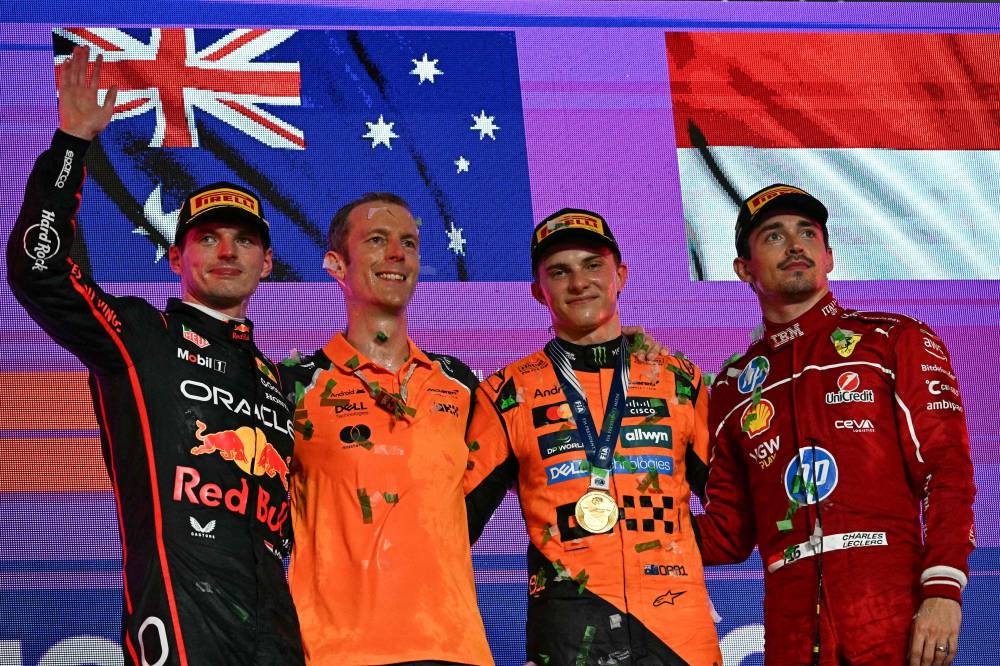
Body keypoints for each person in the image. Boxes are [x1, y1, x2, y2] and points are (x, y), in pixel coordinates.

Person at [7, 47, 304, 665]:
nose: (228, 251)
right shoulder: (141, 336)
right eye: (208, 239)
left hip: (276, 626)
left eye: (245, 240)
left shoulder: (278, 379)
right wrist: (71, 145)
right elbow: (42, 270)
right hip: (181, 615)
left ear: (266, 265)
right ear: (176, 259)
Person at [695, 184, 977, 666]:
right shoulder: (730, 388)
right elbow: (728, 534)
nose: (795, 244)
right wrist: (627, 531)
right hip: (790, 631)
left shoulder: (893, 340)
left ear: (829, 256)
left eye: (807, 232)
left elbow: (946, 469)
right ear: (743, 269)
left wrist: (944, 588)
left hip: (894, 616)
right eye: (773, 235)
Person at [464, 209, 723, 665]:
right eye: (559, 272)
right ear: (537, 292)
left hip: (680, 633)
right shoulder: (508, 394)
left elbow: (735, 507)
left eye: (592, 264)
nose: (578, 282)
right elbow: (453, 524)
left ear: (620, 275)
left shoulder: (679, 380)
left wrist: (674, 548)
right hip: (568, 632)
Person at [279, 193, 494, 665]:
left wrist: (627, 348)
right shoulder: (293, 385)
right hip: (334, 653)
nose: (398, 254)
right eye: (377, 240)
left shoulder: (461, 385)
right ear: (336, 264)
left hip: (455, 651)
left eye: (409, 243)